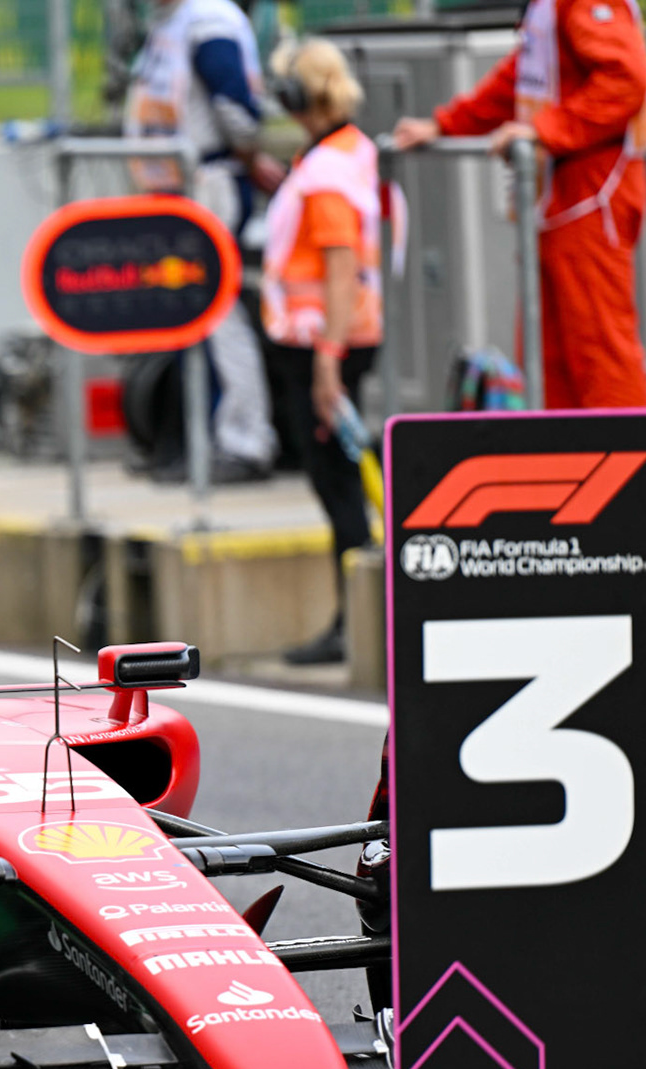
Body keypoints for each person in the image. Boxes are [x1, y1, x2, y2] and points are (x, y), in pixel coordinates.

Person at [393, 0, 646, 408]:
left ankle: (627, 450)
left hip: (593, 198)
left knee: (600, 352)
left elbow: (625, 80)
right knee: (547, 358)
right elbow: (525, 75)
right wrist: (445, 124)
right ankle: (559, 448)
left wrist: (542, 131)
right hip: (561, 200)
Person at [125, 0, 284, 481]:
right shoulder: (171, 19)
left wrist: (248, 158)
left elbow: (237, 112)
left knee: (218, 313)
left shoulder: (208, 19)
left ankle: (245, 441)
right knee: (190, 316)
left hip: (209, 185)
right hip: (181, 188)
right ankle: (193, 441)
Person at [263, 40, 383, 665]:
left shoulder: (327, 173)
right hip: (332, 339)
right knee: (340, 479)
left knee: (338, 486)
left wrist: (327, 361)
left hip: (321, 345)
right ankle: (355, 619)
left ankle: (353, 624)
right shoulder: (344, 151)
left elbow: (340, 266)